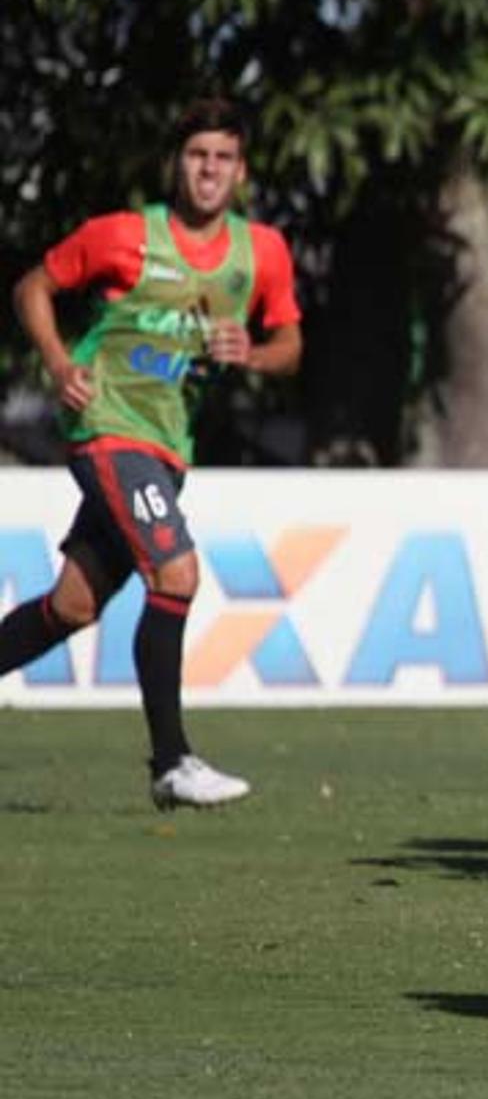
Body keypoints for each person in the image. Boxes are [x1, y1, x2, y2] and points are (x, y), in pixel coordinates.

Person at [2, 98, 303, 808]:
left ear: (241, 170)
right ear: (177, 163)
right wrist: (56, 361)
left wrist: (252, 352)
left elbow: (291, 347)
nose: (209, 169)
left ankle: (172, 764)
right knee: (177, 571)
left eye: (223, 157)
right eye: (197, 154)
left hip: (168, 444)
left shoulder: (261, 251)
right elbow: (33, 286)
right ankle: (172, 763)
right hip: (110, 426)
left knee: (73, 606)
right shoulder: (123, 236)